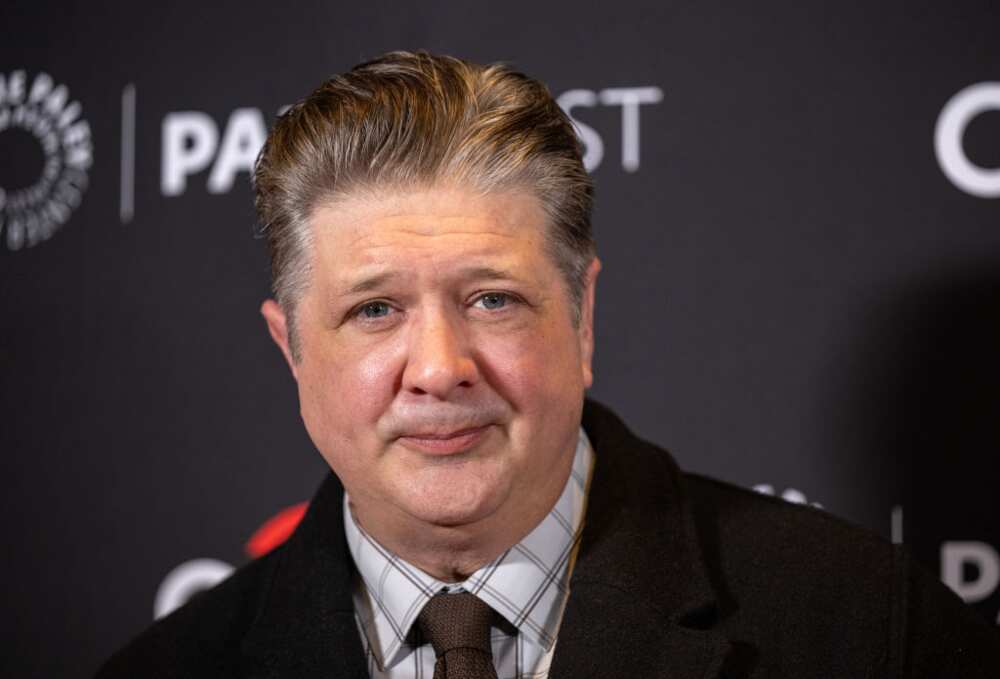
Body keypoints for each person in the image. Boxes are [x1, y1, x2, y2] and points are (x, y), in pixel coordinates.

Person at [96, 51, 999, 679]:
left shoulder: (865, 631)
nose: (441, 367)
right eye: (375, 310)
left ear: (584, 314)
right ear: (290, 348)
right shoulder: (165, 672)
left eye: (492, 298)